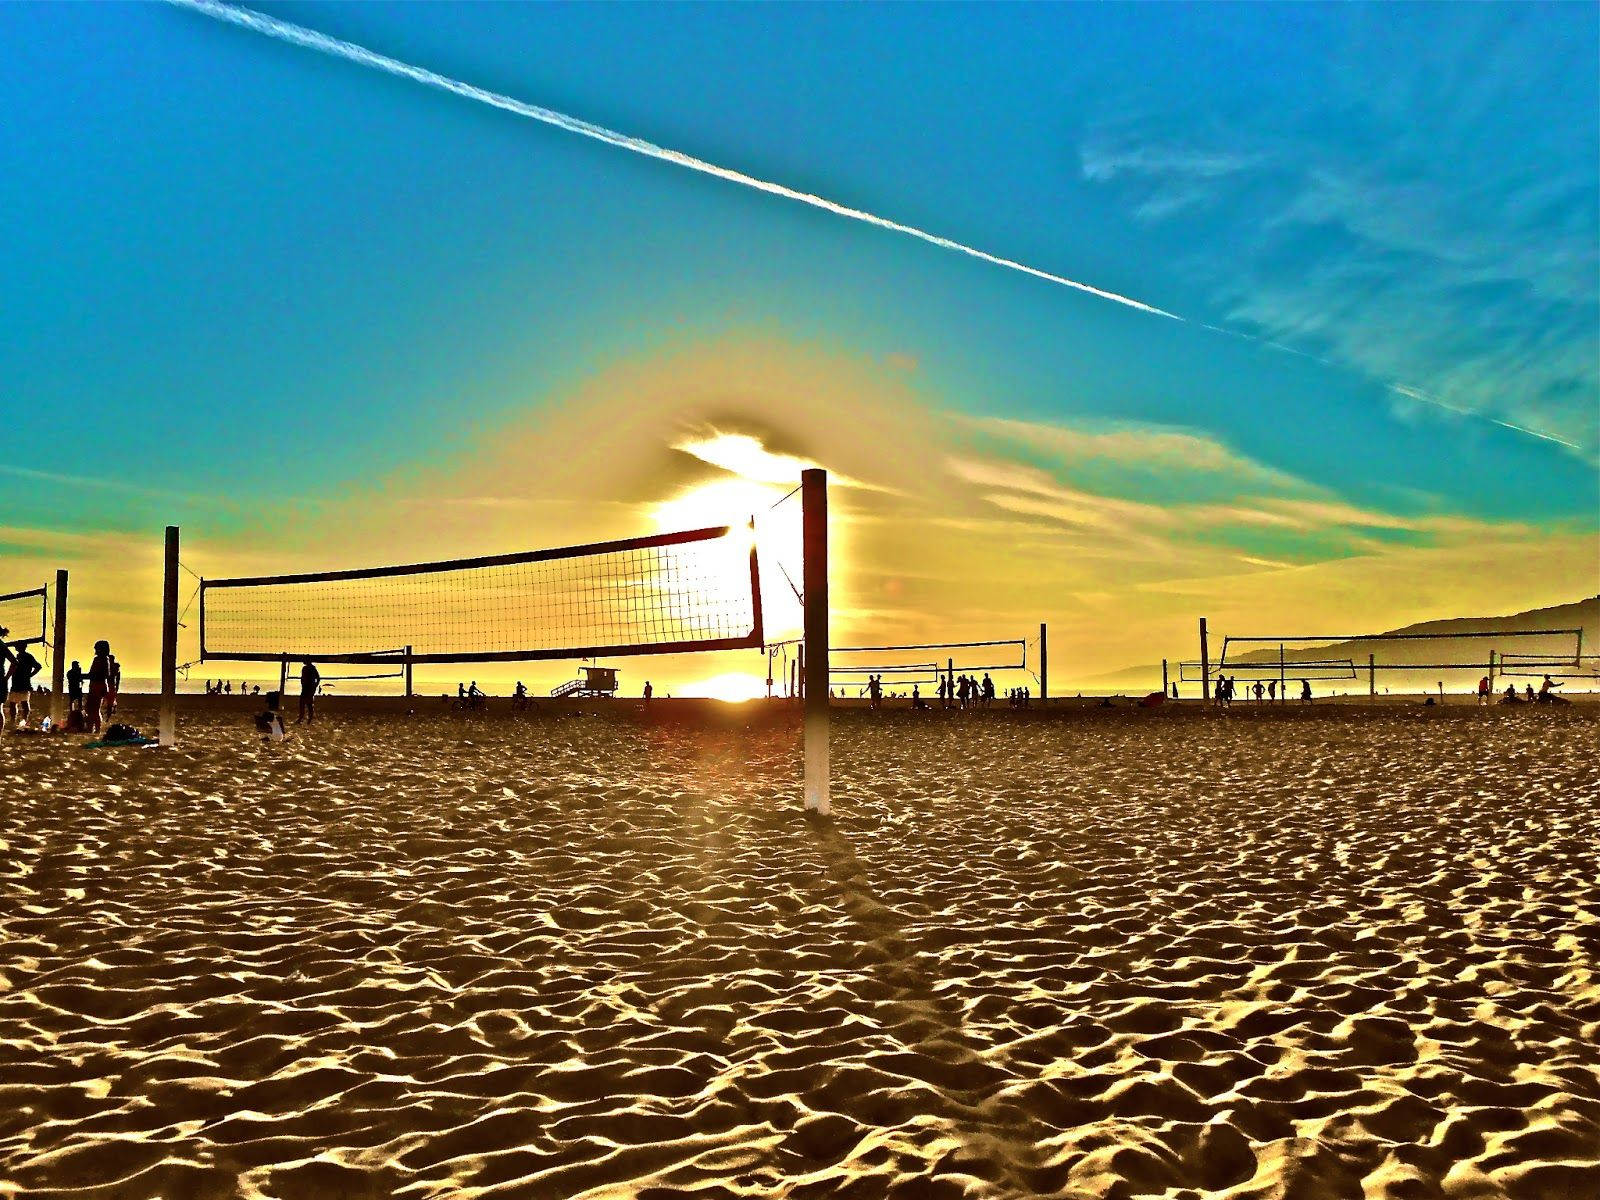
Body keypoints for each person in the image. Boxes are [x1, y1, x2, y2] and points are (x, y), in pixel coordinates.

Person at [4, 644, 41, 729]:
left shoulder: (28, 657)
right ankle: (16, 720)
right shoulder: (18, 657)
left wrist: (30, 675)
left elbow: (38, 666)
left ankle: (22, 721)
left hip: (23, 683)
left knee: (21, 703)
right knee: (14, 703)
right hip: (17, 683)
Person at [86, 640, 112, 734]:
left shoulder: (102, 660)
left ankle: (95, 729)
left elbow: (101, 674)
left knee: (94, 709)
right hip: (96, 685)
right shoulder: (102, 659)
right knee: (91, 708)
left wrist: (86, 676)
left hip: (98, 686)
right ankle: (93, 728)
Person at [297, 659, 320, 724]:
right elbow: (317, 678)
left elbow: (318, 678)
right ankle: (303, 718)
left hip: (309, 688)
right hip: (307, 687)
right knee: (304, 703)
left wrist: (315, 685)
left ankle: (307, 718)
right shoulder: (306, 668)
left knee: (307, 703)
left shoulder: (311, 668)